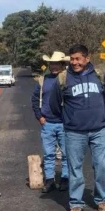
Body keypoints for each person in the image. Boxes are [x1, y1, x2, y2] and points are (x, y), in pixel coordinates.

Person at [49, 44, 105, 211]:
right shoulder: (63, 79)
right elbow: (55, 106)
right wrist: (69, 119)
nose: (74, 62)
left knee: (102, 166)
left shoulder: (99, 76)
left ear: (87, 58)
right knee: (75, 167)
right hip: (74, 132)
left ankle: (102, 199)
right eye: (72, 59)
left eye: (78, 59)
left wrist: (101, 118)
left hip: (99, 130)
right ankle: (76, 202)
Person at [31, 51, 70, 193]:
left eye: (57, 64)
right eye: (52, 63)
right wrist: (39, 116)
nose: (54, 66)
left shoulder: (68, 79)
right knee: (48, 154)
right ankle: (49, 180)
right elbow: (35, 99)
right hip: (47, 123)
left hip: (64, 123)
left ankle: (65, 179)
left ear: (62, 65)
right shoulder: (43, 80)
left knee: (66, 153)